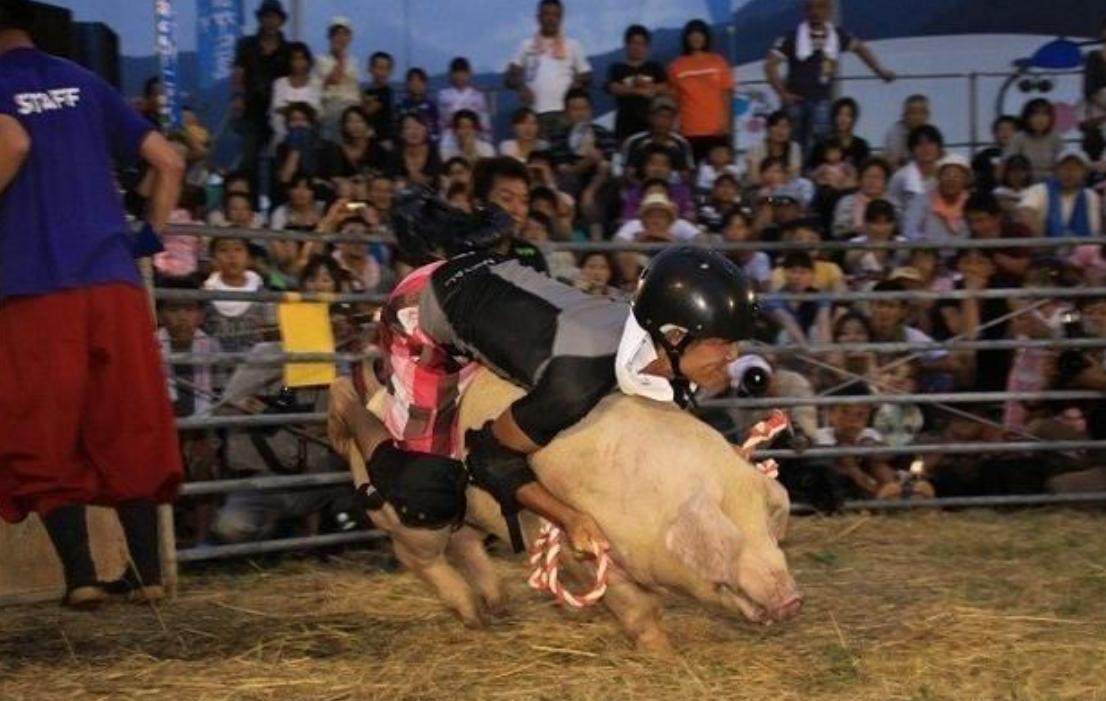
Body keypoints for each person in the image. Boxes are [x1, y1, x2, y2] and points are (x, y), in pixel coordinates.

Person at [332, 216, 759, 556]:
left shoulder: (656, 347)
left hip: (491, 289)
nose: (733, 355)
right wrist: (570, 518)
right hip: (422, 312)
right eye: (721, 341)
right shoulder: (577, 380)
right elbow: (491, 457)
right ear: (674, 335)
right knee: (427, 496)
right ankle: (351, 406)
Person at [0, 0, 184, 606]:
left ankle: (81, 576)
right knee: (126, 417)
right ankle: (149, 575)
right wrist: (145, 238)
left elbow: (12, 144)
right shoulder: (83, 80)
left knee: (45, 424)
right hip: (111, 277)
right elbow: (169, 162)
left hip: (31, 283)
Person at [765, 0, 895, 152]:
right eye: (811, 7)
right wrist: (783, 93)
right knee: (792, 148)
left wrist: (880, 71)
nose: (815, 12)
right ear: (805, 11)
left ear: (829, 10)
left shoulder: (837, 35)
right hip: (795, 103)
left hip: (822, 101)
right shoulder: (791, 36)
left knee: (821, 148)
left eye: (820, 7)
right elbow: (769, 65)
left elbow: (860, 49)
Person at [505, 0, 591, 139]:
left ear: (561, 18)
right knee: (541, 155)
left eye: (555, 15)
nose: (551, 19)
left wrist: (577, 83)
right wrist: (521, 87)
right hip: (535, 115)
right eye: (546, 14)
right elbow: (509, 78)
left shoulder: (573, 45)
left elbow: (587, 75)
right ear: (538, 17)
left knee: (564, 155)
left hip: (564, 114)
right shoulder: (526, 45)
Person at [232, 0, 291, 178]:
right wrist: (237, 96)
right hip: (252, 108)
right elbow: (239, 73)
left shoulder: (288, 49)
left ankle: (275, 202)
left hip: (280, 111)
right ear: (260, 19)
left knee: (279, 161)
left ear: (281, 21)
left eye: (275, 17)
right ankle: (246, 202)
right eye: (267, 17)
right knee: (248, 159)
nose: (271, 21)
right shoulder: (246, 45)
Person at [668, 19, 734, 162]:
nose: (696, 38)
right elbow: (674, 101)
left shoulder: (719, 62)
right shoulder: (676, 66)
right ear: (687, 38)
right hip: (689, 131)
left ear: (706, 37)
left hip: (717, 130)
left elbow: (727, 96)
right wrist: (674, 129)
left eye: (700, 34)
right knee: (693, 175)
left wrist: (727, 125)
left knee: (719, 175)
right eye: (692, 34)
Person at [1017, 149, 1102, 238]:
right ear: (1056, 170)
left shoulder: (1092, 196)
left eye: (1075, 168)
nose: (1069, 173)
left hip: (1087, 249)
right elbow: (1025, 213)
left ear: (1085, 173)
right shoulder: (1039, 190)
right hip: (1046, 249)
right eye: (1065, 167)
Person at [605, 24, 668, 143]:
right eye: (634, 43)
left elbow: (664, 87)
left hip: (652, 127)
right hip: (625, 127)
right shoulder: (617, 68)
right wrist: (639, 91)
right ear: (626, 45)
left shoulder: (654, 67)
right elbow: (613, 87)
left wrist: (648, 86)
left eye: (642, 44)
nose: (637, 47)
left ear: (647, 47)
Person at [902, 153, 973, 249]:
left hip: (963, 257)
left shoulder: (971, 201)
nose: (951, 180)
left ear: (965, 180)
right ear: (939, 177)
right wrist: (922, 242)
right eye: (947, 175)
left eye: (957, 176)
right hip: (928, 255)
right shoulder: (922, 199)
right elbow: (909, 227)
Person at [621, 95, 695, 183]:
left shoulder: (681, 143)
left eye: (667, 117)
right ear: (650, 118)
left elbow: (686, 177)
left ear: (673, 120)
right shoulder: (634, 142)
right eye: (658, 116)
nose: (662, 121)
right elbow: (629, 175)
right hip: (641, 188)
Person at [268, 43, 322, 157]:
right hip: (283, 129)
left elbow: (314, 109)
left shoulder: (315, 83)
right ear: (289, 61)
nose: (298, 62)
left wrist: (290, 107)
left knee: (302, 133)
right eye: (294, 59)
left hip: (308, 129)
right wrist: (303, 108)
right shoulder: (280, 83)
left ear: (308, 61)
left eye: (302, 58)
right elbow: (277, 108)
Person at [313, 17, 361, 142]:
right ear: (329, 37)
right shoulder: (321, 59)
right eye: (337, 34)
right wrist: (341, 58)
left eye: (345, 34)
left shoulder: (354, 61)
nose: (341, 38)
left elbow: (355, 89)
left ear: (349, 38)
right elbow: (335, 79)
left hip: (353, 107)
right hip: (331, 106)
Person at [1004, 98, 1064, 182]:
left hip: (1051, 183)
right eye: (1035, 115)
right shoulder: (1019, 137)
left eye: (1045, 114)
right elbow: (1008, 163)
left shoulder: (1055, 137)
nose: (1040, 119)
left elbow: (1063, 164)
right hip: (1024, 183)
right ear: (1027, 118)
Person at [887, 125, 944, 211]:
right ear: (912, 150)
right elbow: (893, 207)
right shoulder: (900, 177)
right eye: (920, 144)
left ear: (938, 147)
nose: (926, 148)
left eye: (930, 143)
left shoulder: (946, 173)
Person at [437, 56, 491, 139]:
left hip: (473, 138)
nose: (460, 76)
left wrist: (486, 138)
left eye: (463, 73)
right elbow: (442, 121)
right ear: (451, 74)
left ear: (469, 74)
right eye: (456, 73)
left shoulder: (478, 96)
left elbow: (484, 122)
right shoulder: (444, 95)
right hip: (450, 137)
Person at [809, 97, 870, 169]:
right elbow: (810, 169)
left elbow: (866, 171)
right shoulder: (822, 143)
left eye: (848, 115)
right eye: (839, 114)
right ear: (833, 117)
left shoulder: (861, 145)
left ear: (853, 119)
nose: (842, 118)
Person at [746, 109, 803, 186]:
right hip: (762, 189)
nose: (780, 130)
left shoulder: (795, 147)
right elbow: (754, 178)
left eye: (785, 126)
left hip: (787, 190)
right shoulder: (756, 148)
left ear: (790, 130)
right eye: (776, 125)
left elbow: (795, 177)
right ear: (768, 129)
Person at [971, 115, 1019, 193]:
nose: (1005, 133)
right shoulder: (984, 155)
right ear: (994, 134)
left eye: (1010, 129)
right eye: (1001, 129)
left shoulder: (1021, 155)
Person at [882, 95, 929, 168]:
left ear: (928, 115)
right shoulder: (895, 132)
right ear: (904, 115)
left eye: (921, 112)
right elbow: (891, 165)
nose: (917, 117)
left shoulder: (932, 134)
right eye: (913, 112)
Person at [397, 67, 440, 143]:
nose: (416, 84)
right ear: (407, 84)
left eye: (420, 80)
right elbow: (397, 130)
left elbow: (435, 131)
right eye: (412, 80)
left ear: (425, 84)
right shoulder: (401, 106)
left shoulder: (431, 106)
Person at [362, 51, 395, 147]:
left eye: (386, 69)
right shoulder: (367, 92)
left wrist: (362, 99)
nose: (382, 72)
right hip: (369, 139)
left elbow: (367, 111)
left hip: (384, 141)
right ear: (370, 68)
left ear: (390, 71)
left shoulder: (387, 92)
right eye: (379, 68)